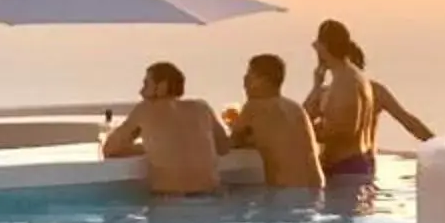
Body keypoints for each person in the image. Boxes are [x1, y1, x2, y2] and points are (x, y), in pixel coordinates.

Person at [102, 60, 228, 196]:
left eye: (146, 84)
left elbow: (109, 149)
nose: (141, 92)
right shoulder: (202, 108)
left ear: (162, 86)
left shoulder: (145, 109)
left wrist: (146, 148)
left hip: (170, 200)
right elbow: (223, 147)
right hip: (211, 196)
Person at [230, 52, 324, 188]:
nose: (245, 81)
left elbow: (230, 143)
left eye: (250, 76)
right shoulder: (296, 108)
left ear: (263, 81)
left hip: (285, 192)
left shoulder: (254, 107)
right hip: (316, 187)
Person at [305, 19, 379, 178]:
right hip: (349, 167)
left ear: (324, 47)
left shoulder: (346, 82)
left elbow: (343, 132)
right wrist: (317, 85)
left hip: (346, 169)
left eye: (317, 45)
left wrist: (304, 134)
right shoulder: (349, 77)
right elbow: (307, 114)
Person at [348, 39, 434, 143]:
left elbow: (407, 121)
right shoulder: (329, 92)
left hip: (362, 156)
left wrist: (435, 142)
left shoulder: (375, 91)